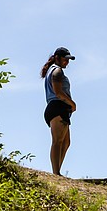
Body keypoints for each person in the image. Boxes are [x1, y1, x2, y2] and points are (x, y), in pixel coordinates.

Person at [41, 47, 77, 175]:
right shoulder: (57, 71)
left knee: (66, 142)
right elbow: (58, 92)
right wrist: (72, 104)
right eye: (65, 59)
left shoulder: (52, 70)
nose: (67, 62)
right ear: (57, 58)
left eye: (68, 60)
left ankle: (58, 171)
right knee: (57, 141)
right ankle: (56, 173)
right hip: (57, 106)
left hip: (58, 108)